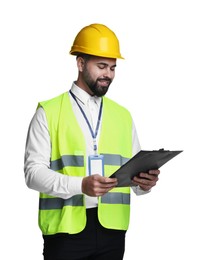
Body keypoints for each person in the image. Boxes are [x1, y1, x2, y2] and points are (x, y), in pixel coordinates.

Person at [24, 23, 160, 260]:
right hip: (64, 233)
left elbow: (134, 172)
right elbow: (32, 174)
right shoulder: (48, 112)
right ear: (80, 63)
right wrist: (80, 186)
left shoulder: (123, 115)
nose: (108, 74)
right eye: (101, 66)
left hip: (112, 233)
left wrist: (144, 184)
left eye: (113, 68)